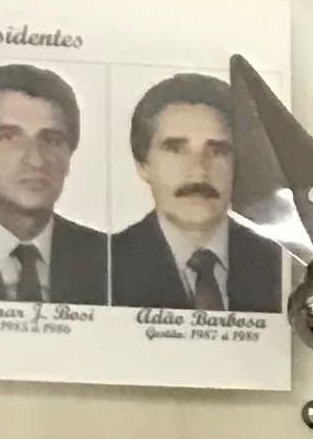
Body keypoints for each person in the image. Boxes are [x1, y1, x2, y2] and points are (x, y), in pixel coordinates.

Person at [110, 75, 280, 312]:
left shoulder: (279, 264)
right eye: (176, 149)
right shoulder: (105, 266)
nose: (199, 170)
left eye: (218, 150)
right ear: (143, 164)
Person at [0, 63, 108, 304]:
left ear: (69, 156)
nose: (35, 160)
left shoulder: (109, 258)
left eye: (51, 140)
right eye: (8, 138)